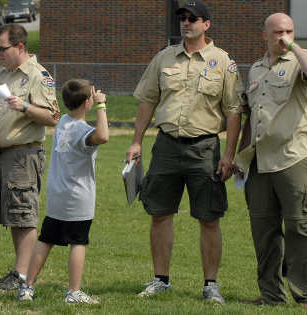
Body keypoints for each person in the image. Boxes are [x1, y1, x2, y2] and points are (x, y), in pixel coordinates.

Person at [125, 0, 243, 303]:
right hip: (166, 145)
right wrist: (137, 141)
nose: (186, 23)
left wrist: (229, 154)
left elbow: (233, 111)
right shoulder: (164, 58)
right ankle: (161, 279)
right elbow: (147, 101)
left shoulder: (223, 61)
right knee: (160, 214)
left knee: (209, 217)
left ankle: (210, 285)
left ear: (207, 24)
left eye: (193, 19)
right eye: (182, 18)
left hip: (205, 148)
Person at [236, 13, 307, 310]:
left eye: (289, 30)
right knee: (263, 230)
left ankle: (303, 294)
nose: (283, 36)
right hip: (259, 161)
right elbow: (251, 116)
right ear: (264, 35)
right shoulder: (255, 69)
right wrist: (238, 156)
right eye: (277, 32)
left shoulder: (298, 62)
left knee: (299, 227)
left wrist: (295, 47)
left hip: (293, 157)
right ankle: (270, 295)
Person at [0, 23, 60, 291]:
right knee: (13, 216)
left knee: (24, 215)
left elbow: (53, 117)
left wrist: (25, 106)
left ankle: (23, 276)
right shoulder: (4, 75)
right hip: (3, 155)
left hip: (25, 155)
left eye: (3, 49)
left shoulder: (40, 75)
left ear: (21, 47)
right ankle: (19, 271)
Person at [17, 79, 109, 304]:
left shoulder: (64, 122)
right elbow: (103, 135)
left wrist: (91, 103)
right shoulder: (83, 131)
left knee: (46, 239)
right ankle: (73, 292)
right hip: (78, 197)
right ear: (87, 102)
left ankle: (27, 286)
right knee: (78, 242)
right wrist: (101, 106)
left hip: (57, 195)